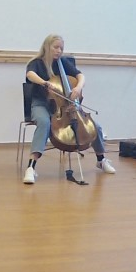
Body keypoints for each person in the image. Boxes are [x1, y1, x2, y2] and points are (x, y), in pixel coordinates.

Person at [22, 34, 115, 184]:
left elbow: (80, 75)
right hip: (41, 104)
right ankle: (31, 167)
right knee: (44, 123)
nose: (59, 51)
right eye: (56, 47)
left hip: (64, 107)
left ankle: (101, 159)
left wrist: (78, 87)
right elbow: (30, 74)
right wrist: (44, 82)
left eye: (61, 48)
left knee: (94, 126)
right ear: (47, 47)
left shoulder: (63, 62)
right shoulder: (36, 63)